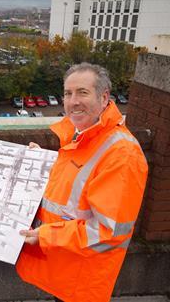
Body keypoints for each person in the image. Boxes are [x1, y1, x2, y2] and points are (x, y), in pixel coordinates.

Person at [16, 63, 148, 302]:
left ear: (104, 97)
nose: (73, 101)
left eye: (82, 92)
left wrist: (47, 236)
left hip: (82, 280)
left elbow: (108, 230)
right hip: (65, 269)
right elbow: (78, 183)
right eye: (68, 93)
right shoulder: (85, 137)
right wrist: (46, 161)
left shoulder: (122, 154)